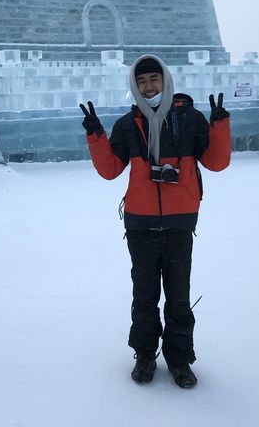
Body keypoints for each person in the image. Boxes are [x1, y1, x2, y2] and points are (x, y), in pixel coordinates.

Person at [79, 54, 230, 389]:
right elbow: (109, 170)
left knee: (178, 295)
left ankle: (179, 359)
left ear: (165, 80)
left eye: (154, 80)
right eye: (142, 81)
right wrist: (96, 135)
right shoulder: (126, 125)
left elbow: (216, 163)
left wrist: (219, 127)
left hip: (179, 223)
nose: (148, 87)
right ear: (135, 85)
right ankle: (145, 354)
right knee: (145, 295)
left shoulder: (190, 120)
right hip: (141, 224)